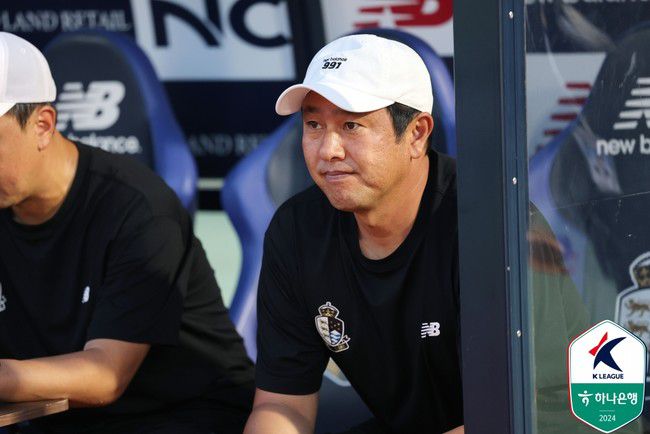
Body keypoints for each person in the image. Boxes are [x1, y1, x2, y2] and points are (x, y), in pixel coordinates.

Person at [0, 32, 254, 433]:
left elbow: (105, 376)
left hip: (185, 415)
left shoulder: (138, 208)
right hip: (57, 418)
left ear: (43, 125)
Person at [244, 34, 463, 434]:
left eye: (351, 125)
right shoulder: (297, 231)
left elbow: (532, 407)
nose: (328, 150)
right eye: (313, 125)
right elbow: (282, 403)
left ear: (417, 134)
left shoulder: (487, 225)